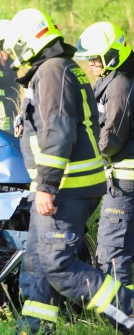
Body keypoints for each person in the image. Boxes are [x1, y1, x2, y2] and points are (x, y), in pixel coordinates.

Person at [4, 8, 134, 334]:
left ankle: (129, 313)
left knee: (57, 265)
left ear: (25, 42)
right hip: (59, 186)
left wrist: (47, 186)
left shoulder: (52, 70)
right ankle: (35, 329)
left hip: (66, 188)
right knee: (36, 265)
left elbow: (60, 129)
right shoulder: (56, 69)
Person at [75, 22, 134, 287]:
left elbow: (112, 139)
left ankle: (122, 315)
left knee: (112, 252)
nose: (91, 65)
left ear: (111, 55)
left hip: (124, 186)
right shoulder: (119, 79)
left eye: (95, 59)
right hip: (122, 185)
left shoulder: (120, 86)